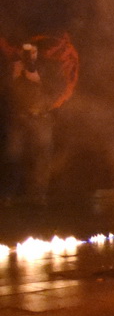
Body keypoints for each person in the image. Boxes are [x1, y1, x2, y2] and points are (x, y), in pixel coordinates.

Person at [7, 42, 55, 202]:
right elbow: (10, 89)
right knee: (14, 155)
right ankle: (10, 194)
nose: (30, 55)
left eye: (33, 51)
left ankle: (40, 195)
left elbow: (44, 84)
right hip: (20, 117)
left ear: (37, 52)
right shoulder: (15, 66)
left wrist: (31, 68)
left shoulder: (44, 66)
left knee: (42, 157)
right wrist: (16, 72)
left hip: (40, 117)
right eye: (26, 52)